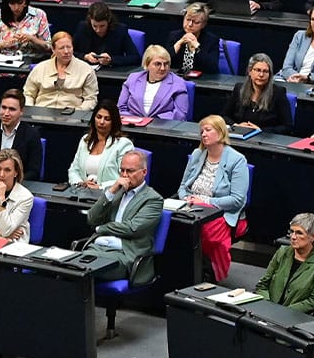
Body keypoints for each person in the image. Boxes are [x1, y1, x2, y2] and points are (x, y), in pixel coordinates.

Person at [176, 114, 248, 280]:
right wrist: (185, 198)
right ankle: (182, 269)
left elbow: (237, 200)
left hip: (220, 211)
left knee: (204, 230)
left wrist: (206, 202)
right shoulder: (197, 154)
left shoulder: (237, 160)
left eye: (208, 130)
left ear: (221, 133)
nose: (203, 134)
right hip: (191, 206)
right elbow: (182, 187)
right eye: (201, 131)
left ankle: (209, 272)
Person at [80, 151, 162, 284]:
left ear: (144, 172)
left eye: (130, 171)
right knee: (69, 267)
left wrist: (102, 228)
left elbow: (132, 228)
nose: (124, 175)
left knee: (84, 271)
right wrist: (111, 191)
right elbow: (91, 219)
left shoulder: (153, 199)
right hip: (98, 248)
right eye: (122, 170)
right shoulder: (116, 191)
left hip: (125, 255)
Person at [258, 213, 314, 313]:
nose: (293, 237)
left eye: (299, 233)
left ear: (313, 237)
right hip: (267, 309)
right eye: (291, 231)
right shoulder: (282, 252)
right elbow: (262, 284)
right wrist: (268, 305)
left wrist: (284, 312)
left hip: (293, 316)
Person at [24, 31, 97, 110]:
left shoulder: (86, 70)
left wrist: (78, 114)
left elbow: (91, 99)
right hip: (41, 113)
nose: (66, 51)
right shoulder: (40, 68)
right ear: (53, 50)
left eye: (69, 47)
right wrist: (31, 111)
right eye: (61, 48)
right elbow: (28, 94)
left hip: (72, 116)